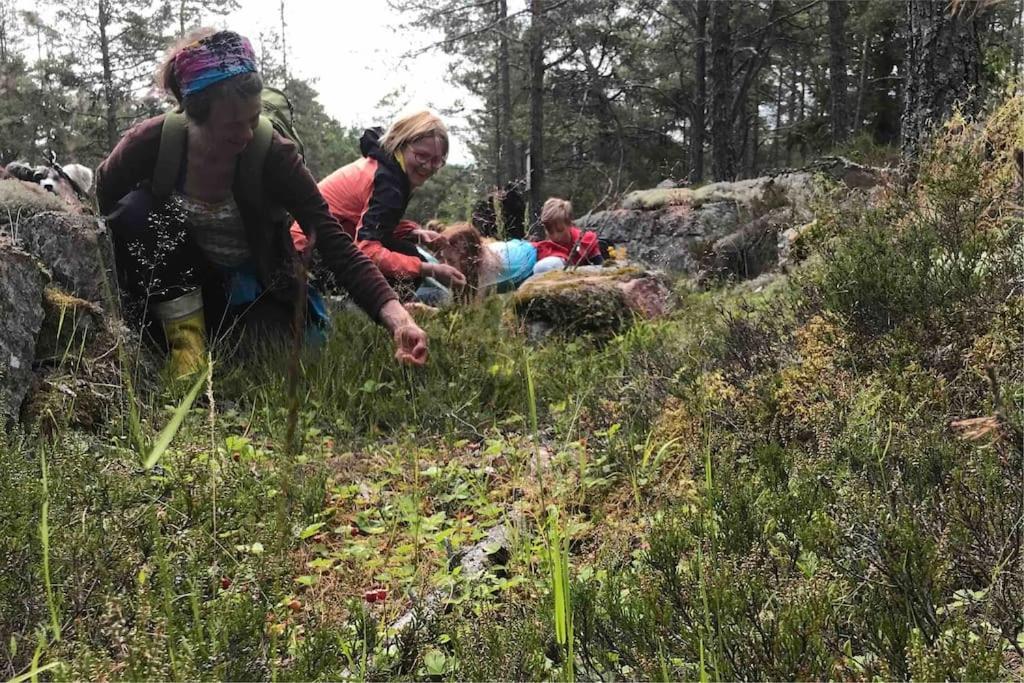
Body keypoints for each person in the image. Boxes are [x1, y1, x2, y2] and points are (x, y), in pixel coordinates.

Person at [96, 29, 428, 378]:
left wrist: (397, 318)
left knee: (266, 355)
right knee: (135, 209)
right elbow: (101, 208)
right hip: (173, 284)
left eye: (253, 120)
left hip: (253, 286)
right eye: (230, 126)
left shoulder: (272, 153)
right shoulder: (150, 143)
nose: (246, 135)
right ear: (193, 116)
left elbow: (332, 241)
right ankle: (184, 345)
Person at [289, 111, 466, 300]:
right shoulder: (387, 184)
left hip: (312, 247)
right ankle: (366, 315)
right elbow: (368, 249)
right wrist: (429, 269)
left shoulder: (388, 168)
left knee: (406, 252)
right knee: (408, 265)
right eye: (421, 156)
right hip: (307, 255)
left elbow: (369, 225)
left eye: (437, 160)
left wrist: (412, 233)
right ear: (401, 144)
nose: (428, 166)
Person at [532, 197, 603, 275]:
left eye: (560, 230)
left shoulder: (586, 240)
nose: (556, 236)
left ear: (569, 224)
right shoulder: (545, 249)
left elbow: (600, 269)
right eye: (550, 232)